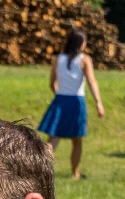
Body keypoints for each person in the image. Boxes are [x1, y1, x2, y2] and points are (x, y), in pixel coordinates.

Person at [38, 29, 105, 180]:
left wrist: (58, 93)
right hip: (76, 102)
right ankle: (75, 173)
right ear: (81, 43)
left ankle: (41, 171)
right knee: (77, 140)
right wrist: (98, 103)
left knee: (53, 139)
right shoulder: (85, 59)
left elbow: (52, 82)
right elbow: (91, 81)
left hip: (60, 100)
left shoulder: (58, 59)